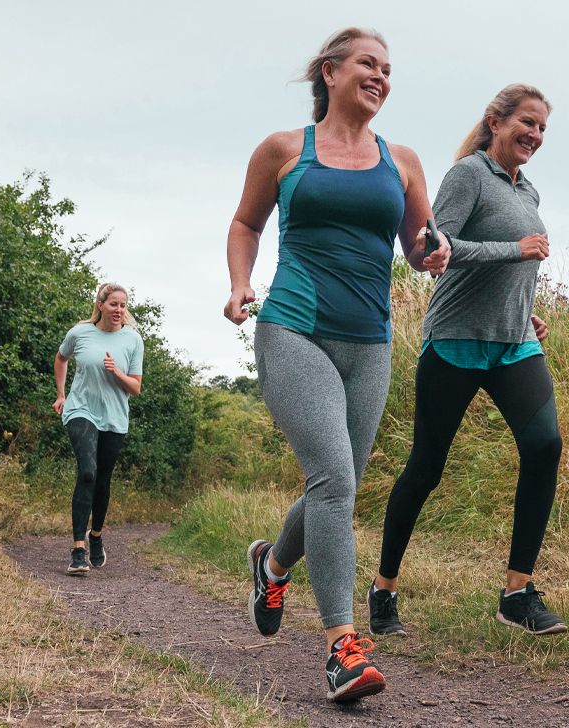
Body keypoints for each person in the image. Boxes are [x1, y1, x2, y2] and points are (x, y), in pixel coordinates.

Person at [222, 28, 450, 703]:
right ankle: (342, 649)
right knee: (333, 479)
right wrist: (240, 283)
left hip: (370, 342)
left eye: (387, 69)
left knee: (337, 485)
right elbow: (245, 224)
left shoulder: (402, 160)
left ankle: (272, 562)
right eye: (366, 64)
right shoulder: (284, 150)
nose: (380, 76)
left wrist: (431, 252)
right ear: (330, 71)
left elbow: (419, 243)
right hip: (294, 327)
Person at [367, 84, 567, 638]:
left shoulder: (530, 193)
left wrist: (527, 313)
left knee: (544, 445)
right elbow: (436, 252)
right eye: (527, 123)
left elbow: (514, 271)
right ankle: (383, 589)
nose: (535, 135)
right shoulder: (468, 175)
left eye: (543, 128)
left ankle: (517, 593)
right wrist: (516, 249)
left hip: (513, 345)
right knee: (426, 468)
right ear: (497, 122)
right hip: (454, 341)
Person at [52, 283, 144, 575]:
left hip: (115, 417)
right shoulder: (80, 333)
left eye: (123, 305)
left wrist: (116, 372)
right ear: (101, 305)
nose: (119, 310)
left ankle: (96, 536)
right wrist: (61, 394)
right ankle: (78, 548)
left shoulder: (132, 340)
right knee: (88, 472)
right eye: (114, 304)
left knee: (102, 479)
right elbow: (61, 358)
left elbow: (136, 387)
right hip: (81, 409)